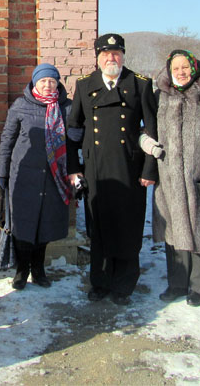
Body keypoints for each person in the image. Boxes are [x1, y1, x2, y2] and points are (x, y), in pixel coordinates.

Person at [66, 33, 158, 305]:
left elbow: (152, 130)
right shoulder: (84, 85)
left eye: (116, 53)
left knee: (128, 227)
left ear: (123, 56)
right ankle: (100, 282)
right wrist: (74, 169)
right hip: (96, 169)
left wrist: (150, 170)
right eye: (105, 54)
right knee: (100, 228)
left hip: (130, 168)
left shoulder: (139, 84)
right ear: (97, 58)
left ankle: (123, 285)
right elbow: (73, 131)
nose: (111, 58)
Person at [151, 50, 200, 307]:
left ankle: (198, 286)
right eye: (176, 68)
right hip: (169, 176)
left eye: (185, 67)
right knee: (173, 230)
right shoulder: (160, 96)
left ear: (195, 68)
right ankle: (176, 283)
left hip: (199, 176)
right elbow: (146, 128)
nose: (181, 72)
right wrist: (146, 142)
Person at [0, 63, 73, 290]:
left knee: (45, 225)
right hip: (24, 176)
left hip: (55, 177)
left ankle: (39, 270)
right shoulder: (21, 106)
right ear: (35, 82)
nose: (48, 85)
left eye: (52, 81)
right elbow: (7, 140)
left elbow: (76, 140)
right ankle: (22, 270)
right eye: (43, 81)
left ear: (58, 83)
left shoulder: (67, 107)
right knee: (23, 224)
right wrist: (2, 172)